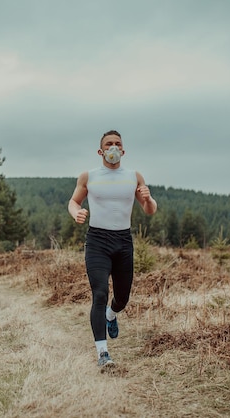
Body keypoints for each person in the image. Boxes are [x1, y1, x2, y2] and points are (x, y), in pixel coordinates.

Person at [68, 130, 157, 370]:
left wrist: (148, 199)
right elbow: (74, 201)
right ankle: (103, 352)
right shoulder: (89, 177)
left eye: (118, 144)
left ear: (124, 150)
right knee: (99, 294)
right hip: (97, 241)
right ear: (101, 151)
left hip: (123, 242)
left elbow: (149, 210)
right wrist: (76, 212)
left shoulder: (134, 176)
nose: (113, 147)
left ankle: (111, 314)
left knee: (123, 297)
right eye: (109, 144)